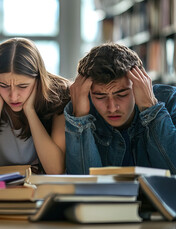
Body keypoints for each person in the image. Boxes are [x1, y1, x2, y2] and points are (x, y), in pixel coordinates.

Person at [65, 43, 176, 174]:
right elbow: (83, 184)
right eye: (100, 96)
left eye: (122, 94)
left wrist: (150, 108)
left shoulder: (170, 100)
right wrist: (80, 118)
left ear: (140, 85)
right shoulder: (81, 106)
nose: (112, 108)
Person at [0, 38, 70, 174]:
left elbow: (55, 169)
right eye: (3, 85)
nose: (13, 96)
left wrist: (30, 110)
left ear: (38, 80)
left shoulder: (60, 94)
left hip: (40, 188)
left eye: (22, 86)